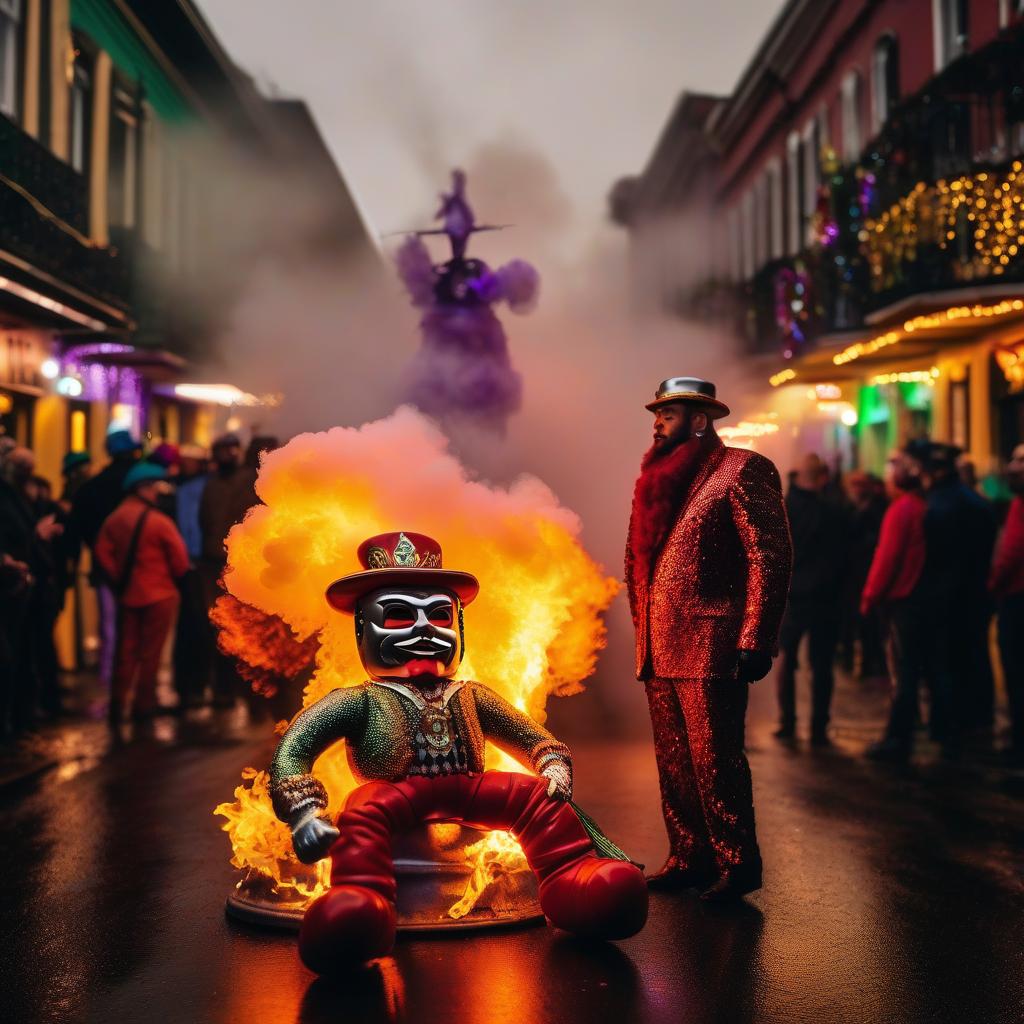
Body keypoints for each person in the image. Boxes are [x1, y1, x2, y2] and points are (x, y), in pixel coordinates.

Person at [270, 531, 647, 972]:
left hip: (470, 787)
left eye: (439, 615)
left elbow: (528, 735)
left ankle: (574, 878)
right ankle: (362, 899)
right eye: (397, 615)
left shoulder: (470, 694)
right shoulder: (359, 700)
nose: (425, 629)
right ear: (362, 628)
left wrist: (550, 762)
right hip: (394, 793)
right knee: (361, 813)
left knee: (536, 799)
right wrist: (305, 812)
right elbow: (295, 748)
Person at [625, 377, 792, 900]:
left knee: (716, 759)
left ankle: (737, 865)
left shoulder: (743, 469)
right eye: (656, 414)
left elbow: (769, 556)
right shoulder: (657, 479)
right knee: (673, 760)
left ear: (700, 421)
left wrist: (756, 637)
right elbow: (639, 560)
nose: (657, 423)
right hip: (658, 642)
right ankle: (690, 856)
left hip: (712, 640)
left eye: (668, 414)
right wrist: (642, 628)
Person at [94, 462, 189, 723]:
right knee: (151, 653)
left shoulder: (114, 519)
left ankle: (117, 702)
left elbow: (102, 552)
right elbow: (180, 561)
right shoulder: (159, 522)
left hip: (128, 595)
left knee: (125, 652)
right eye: (152, 487)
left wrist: (118, 579)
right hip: (160, 595)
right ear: (141, 488)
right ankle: (143, 705)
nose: (157, 493)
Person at [773, 454, 849, 745]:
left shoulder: (785, 507)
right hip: (826, 598)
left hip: (793, 597)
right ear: (821, 478)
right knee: (822, 664)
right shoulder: (834, 510)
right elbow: (845, 554)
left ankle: (788, 722)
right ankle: (819, 725)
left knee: (787, 660)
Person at [861, 451, 929, 761]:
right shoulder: (919, 507)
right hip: (917, 598)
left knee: (900, 671)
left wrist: (870, 596)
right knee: (910, 668)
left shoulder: (901, 510)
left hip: (901, 600)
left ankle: (897, 738)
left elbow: (886, 559)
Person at [68, 428, 142, 687]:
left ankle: (110, 679)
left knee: (109, 624)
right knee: (137, 624)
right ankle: (134, 679)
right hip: (140, 566)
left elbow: (78, 529)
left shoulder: (91, 488)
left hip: (103, 566)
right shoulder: (139, 486)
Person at [0, 447, 63, 730]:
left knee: (22, 651)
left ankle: (18, 715)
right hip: (11, 586)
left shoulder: (14, 495)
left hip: (20, 586)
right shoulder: (9, 497)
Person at [198, 433, 254, 707]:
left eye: (232, 449)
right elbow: (204, 521)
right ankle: (222, 687)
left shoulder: (247, 481)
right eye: (223, 450)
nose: (228, 455)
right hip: (213, 564)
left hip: (238, 566)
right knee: (217, 626)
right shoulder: (210, 486)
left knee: (243, 629)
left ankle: (244, 687)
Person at [990, 442, 1024, 761]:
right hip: (1011, 595)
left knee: (1016, 670)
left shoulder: (1019, 507)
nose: (1013, 467)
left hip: (1015, 596)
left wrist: (994, 584)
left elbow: (1012, 553)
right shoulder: (1015, 504)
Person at [172, 444, 211, 708]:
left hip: (201, 562)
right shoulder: (180, 489)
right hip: (188, 563)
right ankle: (188, 684)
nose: (185, 464)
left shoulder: (202, 487)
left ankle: (196, 684)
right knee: (190, 626)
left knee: (199, 625)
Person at [839, 469, 888, 678]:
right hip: (851, 575)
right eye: (854, 485)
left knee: (871, 623)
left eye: (860, 485)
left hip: (868, 572)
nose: (857, 489)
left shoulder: (877, 509)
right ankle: (853, 658)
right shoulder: (846, 509)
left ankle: (872, 660)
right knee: (852, 620)